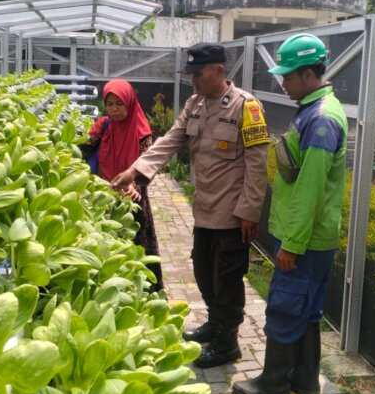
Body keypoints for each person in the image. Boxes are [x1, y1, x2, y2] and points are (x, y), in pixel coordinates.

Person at [111, 43, 269, 368]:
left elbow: (257, 164)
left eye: (198, 74)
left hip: (233, 214)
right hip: (205, 209)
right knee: (203, 272)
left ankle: (228, 345)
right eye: (191, 75)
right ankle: (215, 324)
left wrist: (249, 212)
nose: (193, 81)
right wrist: (135, 171)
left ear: (219, 71)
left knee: (226, 279)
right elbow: (170, 139)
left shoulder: (246, 107)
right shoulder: (195, 104)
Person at [232, 33, 347, 394]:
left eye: (289, 76)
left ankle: (275, 381)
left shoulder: (322, 119)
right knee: (308, 308)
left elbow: (310, 188)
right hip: (314, 236)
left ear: (309, 74)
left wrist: (292, 245)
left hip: (306, 239)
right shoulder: (315, 110)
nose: (283, 83)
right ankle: (305, 379)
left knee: (285, 306)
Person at [84, 79, 163, 291]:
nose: (114, 109)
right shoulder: (104, 125)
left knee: (136, 244)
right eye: (109, 104)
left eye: (119, 104)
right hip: (104, 191)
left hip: (132, 194)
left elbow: (148, 164)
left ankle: (144, 291)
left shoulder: (141, 130)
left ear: (129, 102)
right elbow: (83, 147)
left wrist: (134, 186)